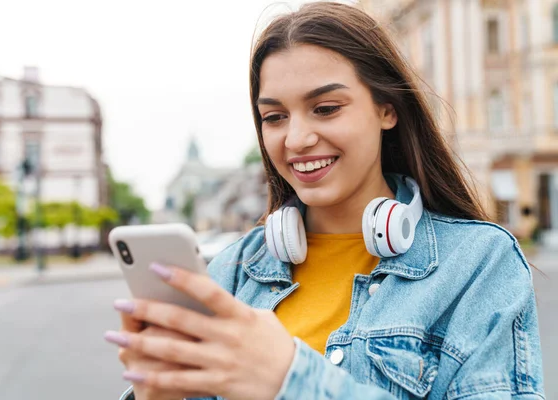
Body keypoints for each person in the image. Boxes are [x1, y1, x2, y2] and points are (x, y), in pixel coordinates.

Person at [105, 2, 545, 399]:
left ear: (386, 109)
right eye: (274, 117)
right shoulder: (231, 273)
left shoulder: (478, 264)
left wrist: (289, 379)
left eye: (326, 108)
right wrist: (158, 393)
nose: (296, 139)